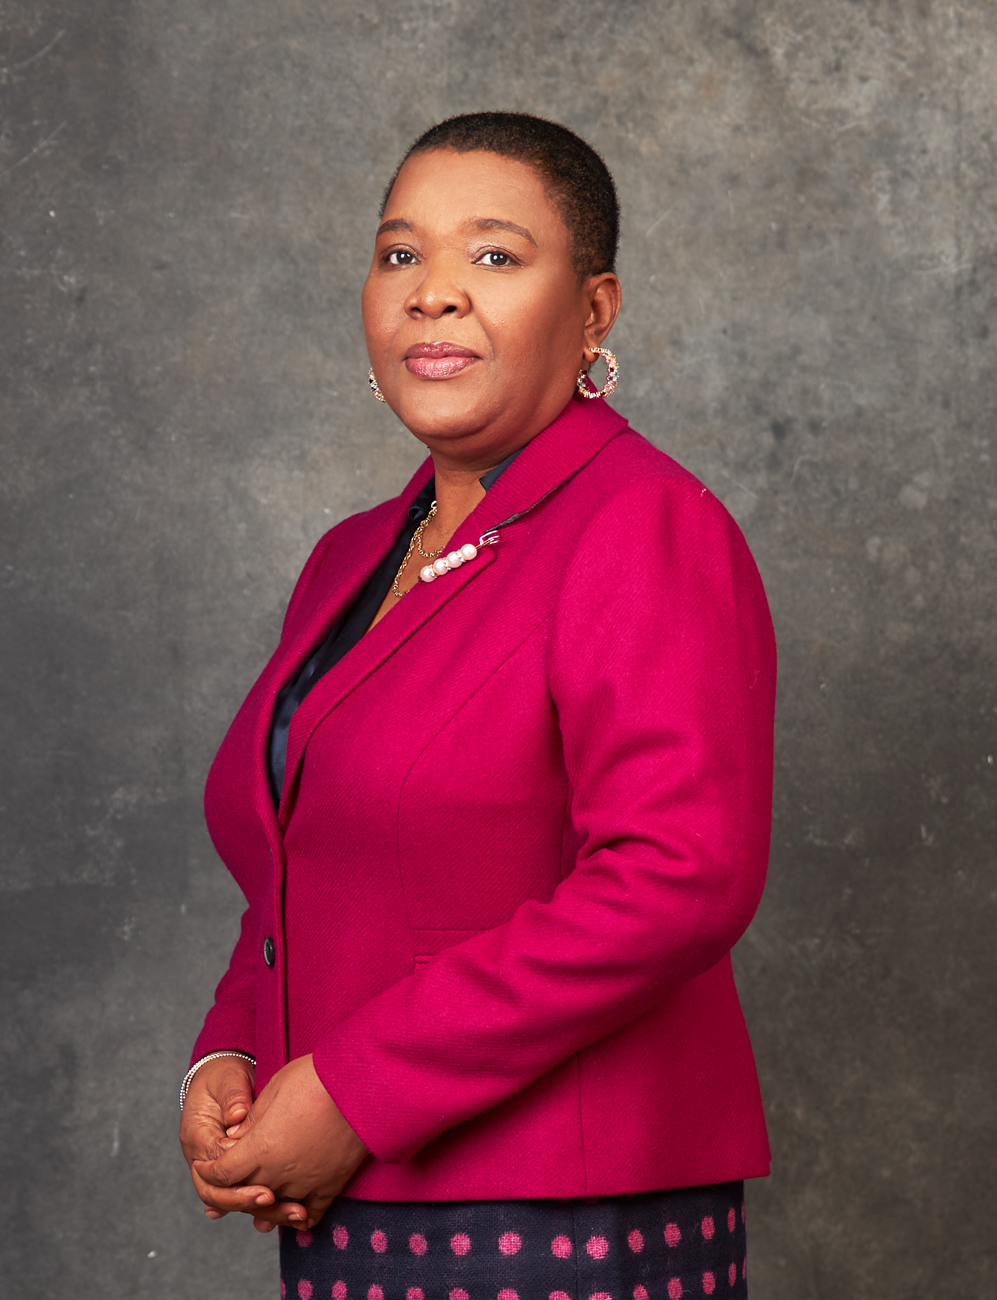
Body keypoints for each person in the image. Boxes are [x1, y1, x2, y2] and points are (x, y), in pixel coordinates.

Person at [180, 112, 775, 1300]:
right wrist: (229, 1052)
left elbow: (677, 877)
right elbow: (302, 864)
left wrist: (353, 1087)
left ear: (594, 311)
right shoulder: (349, 556)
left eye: (493, 255)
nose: (433, 291)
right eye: (399, 253)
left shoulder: (643, 524)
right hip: (354, 1201)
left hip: (560, 1216)